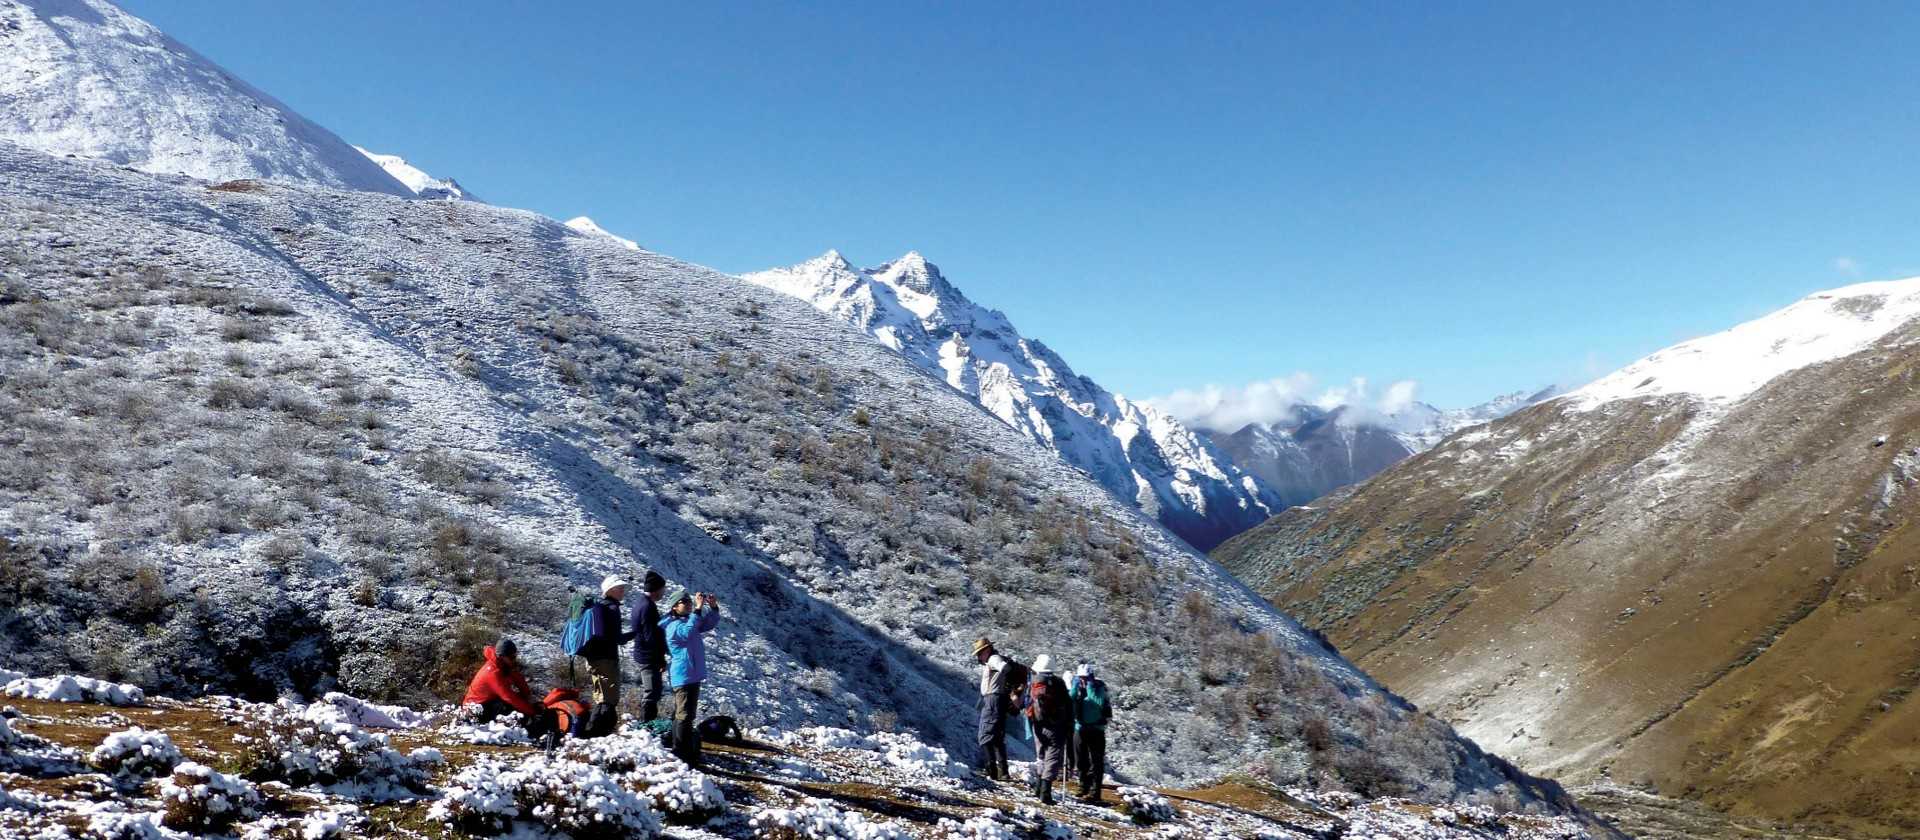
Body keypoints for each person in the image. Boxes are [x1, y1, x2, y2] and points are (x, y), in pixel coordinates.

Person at [661, 589, 722, 765]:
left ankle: (683, 748)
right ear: (674, 607)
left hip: (692, 674)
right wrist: (697, 608)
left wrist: (713, 608)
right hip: (684, 674)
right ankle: (680, 751)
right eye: (684, 603)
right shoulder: (672, 626)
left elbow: (707, 624)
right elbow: (687, 633)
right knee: (684, 715)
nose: (688, 604)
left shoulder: (688, 621)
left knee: (687, 714)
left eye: (689, 602)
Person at [462, 637, 554, 739]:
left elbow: (518, 679)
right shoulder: (493, 673)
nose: (514, 659)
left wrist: (529, 697)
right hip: (475, 710)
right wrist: (533, 711)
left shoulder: (502, 665)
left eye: (515, 656)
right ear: (502, 657)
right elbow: (509, 697)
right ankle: (523, 731)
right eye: (511, 657)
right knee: (508, 707)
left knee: (517, 702)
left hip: (489, 702)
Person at [581, 576, 637, 734]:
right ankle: (595, 733)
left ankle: (596, 732)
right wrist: (634, 634)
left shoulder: (599, 607)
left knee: (601, 697)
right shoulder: (612, 609)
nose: (623, 591)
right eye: (620, 588)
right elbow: (617, 638)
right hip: (606, 660)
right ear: (610, 590)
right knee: (609, 699)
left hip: (592, 658)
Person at [1023, 655, 1072, 804]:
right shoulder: (1058, 683)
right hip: (1055, 726)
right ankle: (1045, 793)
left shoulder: (1033, 682)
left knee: (1041, 755)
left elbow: (1027, 702)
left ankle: (1038, 789)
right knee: (1053, 757)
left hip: (1037, 724)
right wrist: (1069, 724)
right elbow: (1069, 705)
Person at [1069, 663, 1112, 803]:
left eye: (1086, 677)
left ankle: (1095, 792)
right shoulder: (1078, 686)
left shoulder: (1099, 687)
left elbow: (1098, 702)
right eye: (1081, 677)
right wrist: (1075, 687)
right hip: (1080, 727)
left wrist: (1090, 687)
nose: (1083, 680)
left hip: (1096, 729)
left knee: (1096, 761)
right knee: (1080, 759)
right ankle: (1083, 786)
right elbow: (1070, 699)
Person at [630, 571, 669, 723]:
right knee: (652, 692)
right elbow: (650, 636)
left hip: (645, 654)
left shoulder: (641, 603)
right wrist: (660, 658)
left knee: (652, 691)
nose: (663, 593)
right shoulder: (648, 607)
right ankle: (647, 726)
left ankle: (648, 725)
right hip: (648, 656)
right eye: (662, 590)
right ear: (656, 589)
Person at [972, 637, 1013, 781]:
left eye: (979, 653)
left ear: (987, 650)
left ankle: (992, 771)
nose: (978, 656)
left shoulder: (993, 659)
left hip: (993, 700)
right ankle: (1004, 772)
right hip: (998, 699)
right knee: (998, 737)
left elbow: (1005, 668)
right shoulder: (992, 660)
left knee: (984, 736)